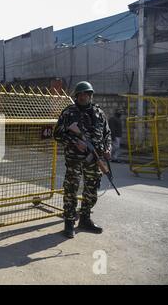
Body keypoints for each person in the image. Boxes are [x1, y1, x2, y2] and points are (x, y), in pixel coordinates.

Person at [54, 81, 112, 239]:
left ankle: (85, 219)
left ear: (90, 95)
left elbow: (107, 134)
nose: (83, 97)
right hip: (74, 160)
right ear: (76, 96)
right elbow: (57, 134)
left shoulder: (99, 112)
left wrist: (108, 149)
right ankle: (69, 222)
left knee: (91, 189)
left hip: (94, 159)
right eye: (80, 94)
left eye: (86, 94)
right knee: (71, 190)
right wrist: (75, 142)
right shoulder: (68, 113)